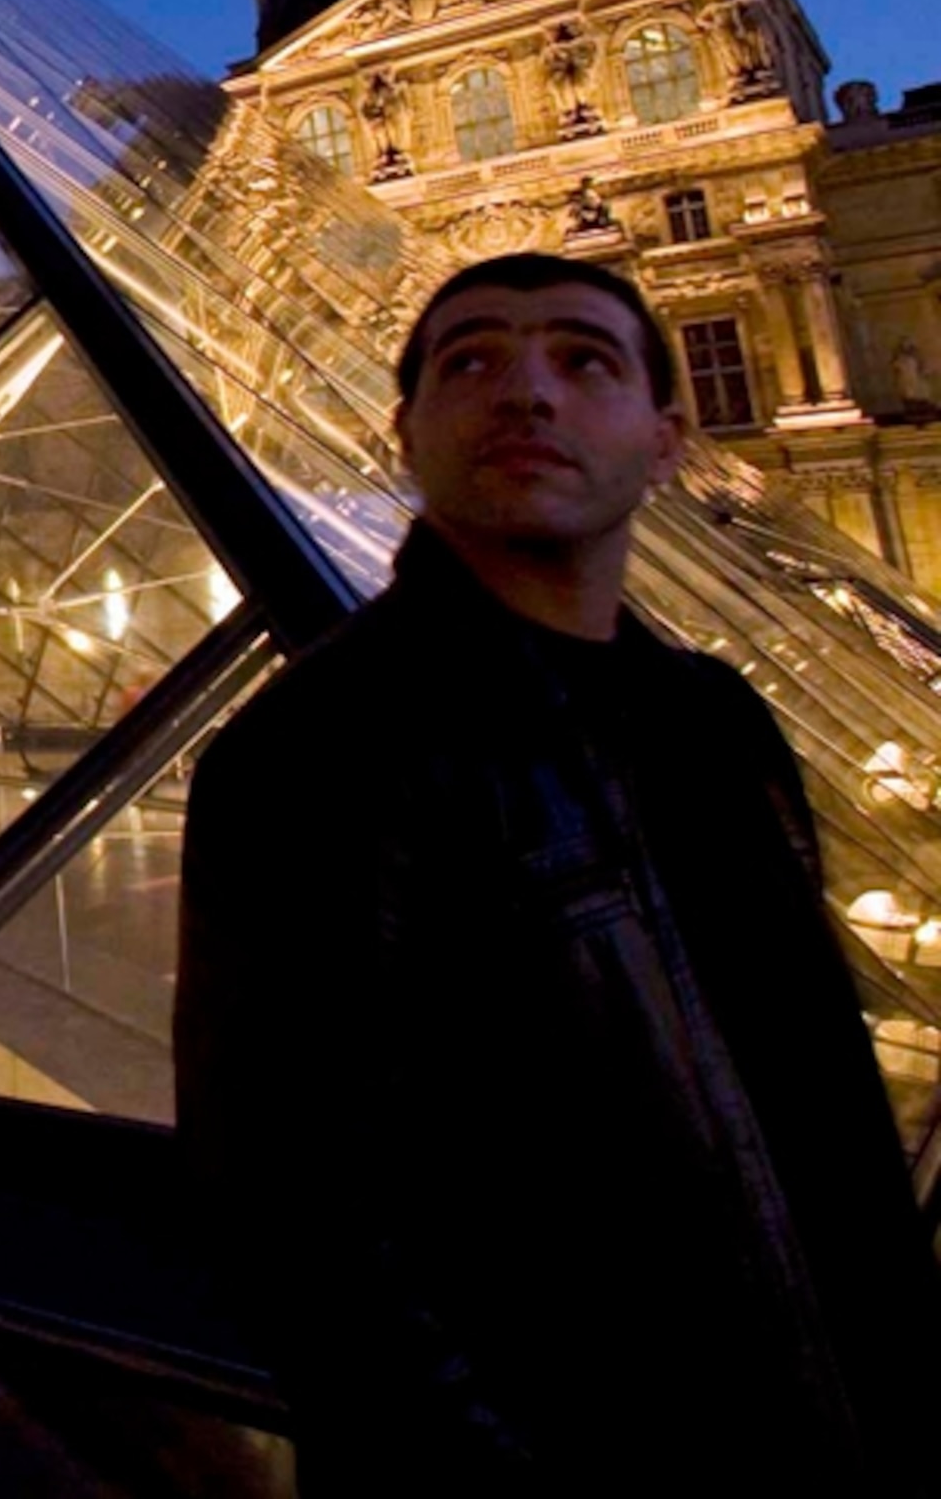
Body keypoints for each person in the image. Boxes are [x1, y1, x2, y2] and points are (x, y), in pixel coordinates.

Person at [176, 252, 939, 1493]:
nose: (527, 392)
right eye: (470, 359)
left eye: (585, 359)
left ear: (666, 437)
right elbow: (298, 1229)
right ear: (404, 434)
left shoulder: (724, 721)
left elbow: (825, 1115)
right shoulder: (316, 751)